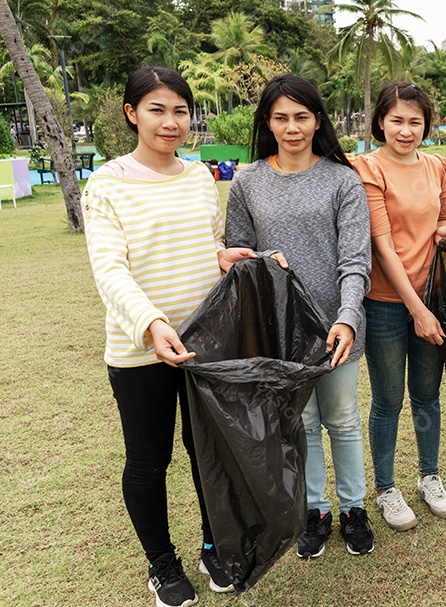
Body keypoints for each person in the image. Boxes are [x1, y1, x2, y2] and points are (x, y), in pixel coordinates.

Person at [83, 66, 252, 607]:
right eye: (157, 109)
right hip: (140, 351)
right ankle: (161, 564)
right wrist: (153, 324)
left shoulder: (199, 176)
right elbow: (110, 270)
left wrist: (222, 256)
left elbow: (205, 242)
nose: (171, 122)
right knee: (148, 460)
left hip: (205, 343)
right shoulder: (106, 184)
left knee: (208, 453)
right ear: (132, 113)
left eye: (180, 110)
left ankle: (213, 545)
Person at [224, 74, 374, 558]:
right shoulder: (247, 181)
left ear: (317, 120)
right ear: (268, 123)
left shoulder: (342, 180)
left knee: (343, 419)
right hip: (281, 329)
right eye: (281, 118)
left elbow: (355, 261)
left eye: (302, 117)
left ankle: (353, 509)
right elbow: (237, 253)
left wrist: (347, 318)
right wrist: (262, 258)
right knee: (301, 423)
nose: (292, 128)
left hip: (336, 327)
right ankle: (316, 510)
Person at [353, 82, 446, 532]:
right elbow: (382, 247)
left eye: (415, 121)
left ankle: (429, 477)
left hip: (433, 298)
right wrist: (417, 310)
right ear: (380, 121)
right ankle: (386, 488)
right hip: (385, 305)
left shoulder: (437, 167)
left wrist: (445, 232)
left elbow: (444, 219)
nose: (406, 130)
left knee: (427, 395)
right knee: (388, 399)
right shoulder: (368, 169)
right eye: (396, 120)